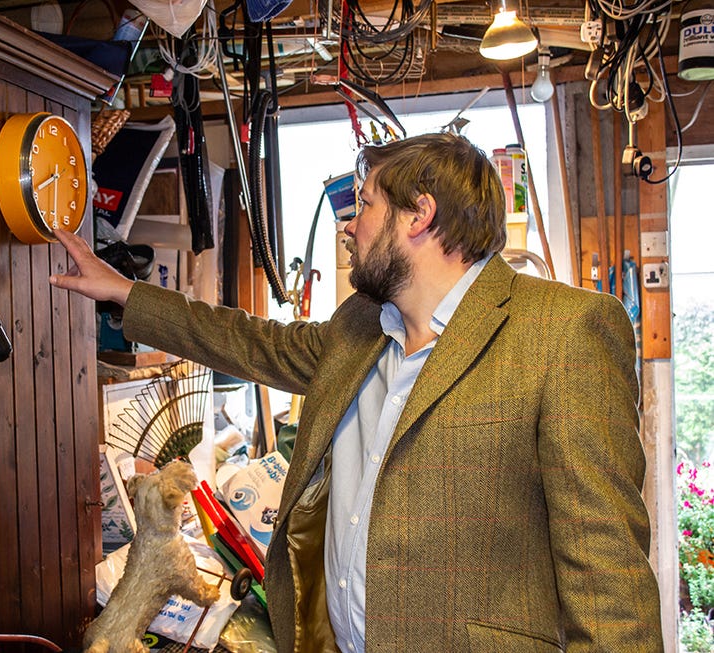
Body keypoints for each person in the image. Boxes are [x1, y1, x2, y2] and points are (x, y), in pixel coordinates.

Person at [49, 133, 662, 652]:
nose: (350, 225)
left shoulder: (563, 331)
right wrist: (126, 293)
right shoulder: (360, 327)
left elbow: (606, 567)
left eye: (364, 205)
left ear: (418, 215)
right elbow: (248, 341)